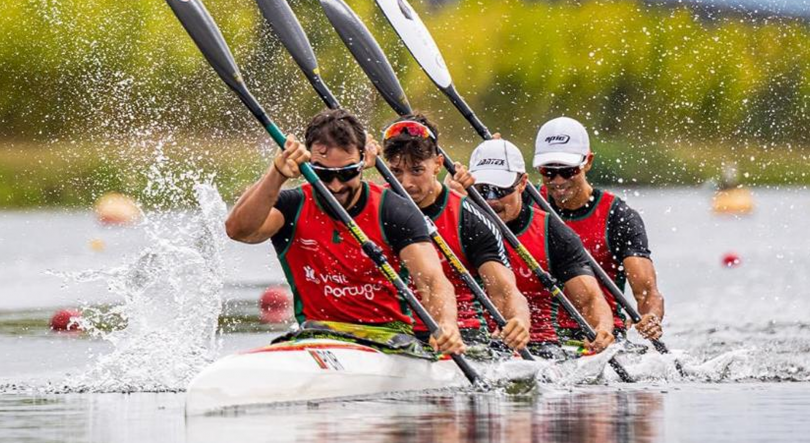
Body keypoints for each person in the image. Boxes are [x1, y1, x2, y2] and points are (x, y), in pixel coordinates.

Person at [224, 109, 465, 355]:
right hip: (315, 335)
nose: (336, 186)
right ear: (308, 165)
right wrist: (276, 174)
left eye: (347, 172)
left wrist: (446, 324)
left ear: (364, 160)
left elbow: (432, 281)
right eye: (324, 174)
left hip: (387, 340)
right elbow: (238, 231)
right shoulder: (293, 207)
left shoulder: (394, 211)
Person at [380, 114, 530, 352]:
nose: (406, 183)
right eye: (396, 171)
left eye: (417, 170)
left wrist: (518, 322)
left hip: (459, 338)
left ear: (438, 164)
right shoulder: (375, 206)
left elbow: (506, 292)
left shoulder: (470, 219)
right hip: (392, 333)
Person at [464, 139, 616, 357]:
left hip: (541, 347)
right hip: (475, 343)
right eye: (482, 190)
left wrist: (601, 329)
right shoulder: (458, 222)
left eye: (500, 190)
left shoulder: (552, 232)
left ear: (523, 183)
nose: (491, 200)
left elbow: (590, 299)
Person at [531, 116, 666, 344]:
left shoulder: (619, 217)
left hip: (598, 335)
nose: (558, 181)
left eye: (569, 171)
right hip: (536, 335)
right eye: (548, 171)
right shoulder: (524, 202)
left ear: (588, 162)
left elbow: (646, 293)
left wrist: (650, 318)